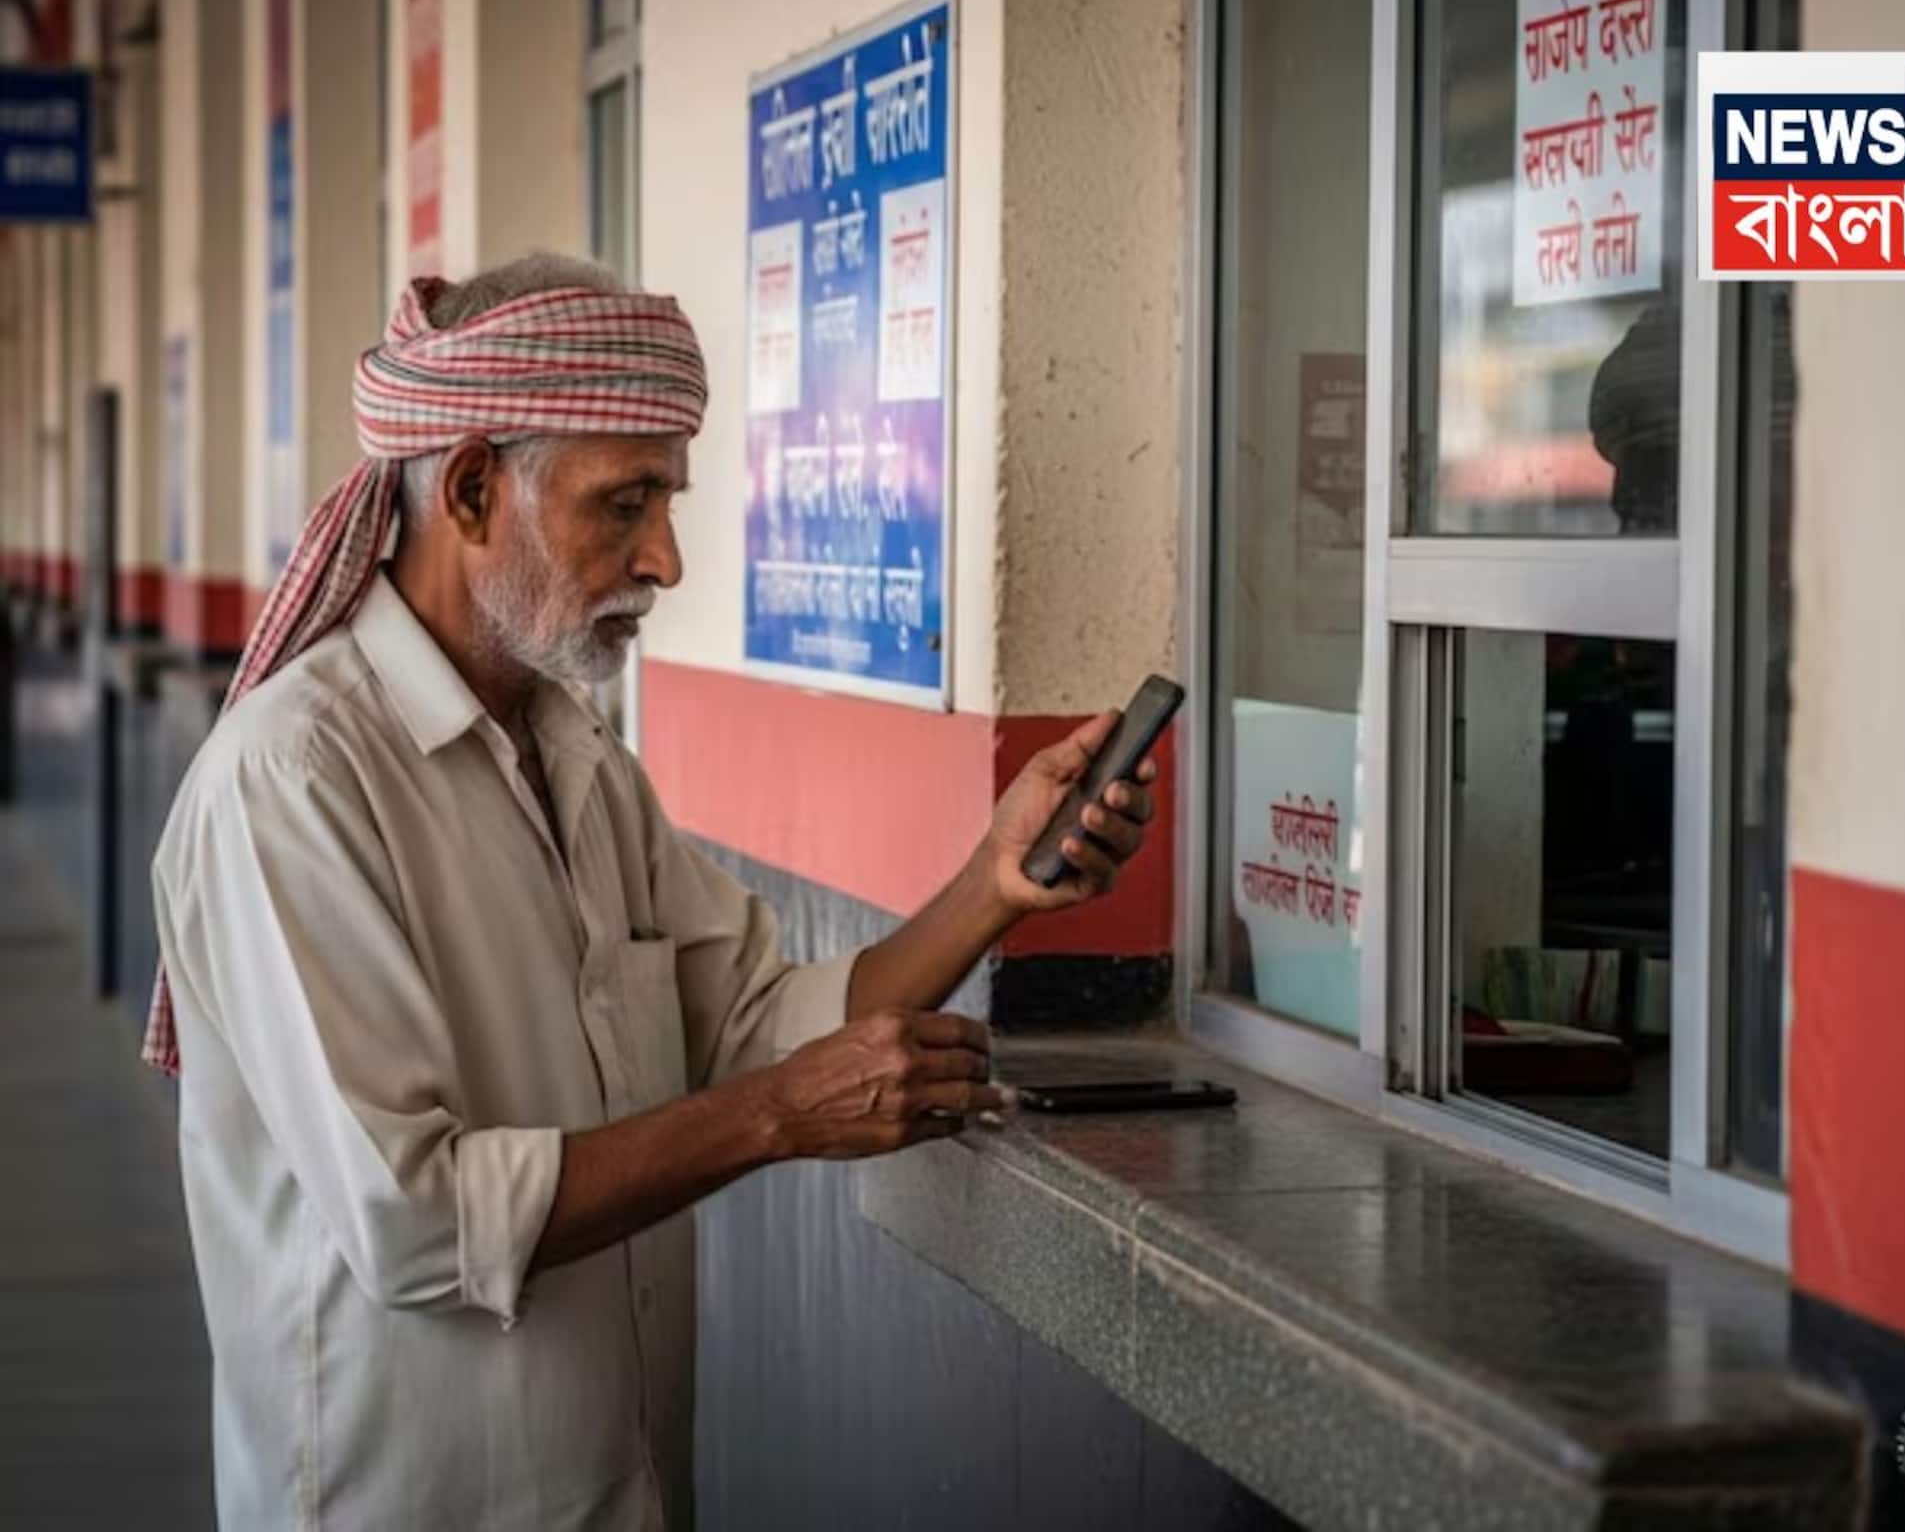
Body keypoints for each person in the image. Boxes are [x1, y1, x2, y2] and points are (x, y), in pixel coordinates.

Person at [147, 253, 1159, 1531]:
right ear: (468, 490)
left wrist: (992, 882)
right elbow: (413, 1222)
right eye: (623, 506)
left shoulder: (575, 760)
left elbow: (755, 1023)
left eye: (666, 503)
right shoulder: (291, 783)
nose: (665, 559)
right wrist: (773, 1118)